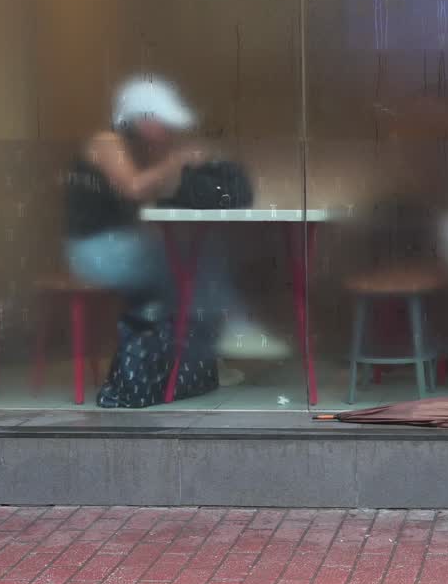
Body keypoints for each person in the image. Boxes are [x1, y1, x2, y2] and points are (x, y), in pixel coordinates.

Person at [63, 75, 288, 367]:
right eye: (163, 121)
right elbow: (133, 187)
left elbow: (150, 198)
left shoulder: (139, 151)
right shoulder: (107, 142)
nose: (168, 130)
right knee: (194, 257)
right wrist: (177, 161)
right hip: (95, 253)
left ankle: (199, 359)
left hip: (120, 246)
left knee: (195, 255)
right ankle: (225, 335)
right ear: (141, 118)